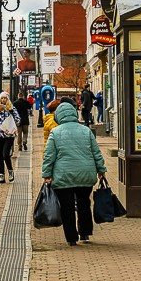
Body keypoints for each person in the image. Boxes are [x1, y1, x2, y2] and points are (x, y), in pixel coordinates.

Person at [41, 101, 107, 246]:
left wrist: (46, 174)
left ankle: (71, 238)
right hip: (85, 174)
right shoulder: (86, 131)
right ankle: (84, 232)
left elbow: (49, 156)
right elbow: (96, 152)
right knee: (84, 203)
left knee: (67, 207)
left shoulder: (55, 132)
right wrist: (101, 170)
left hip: (63, 176)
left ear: (58, 116)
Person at [0, 93, 21, 183]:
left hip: (9, 135)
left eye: (5, 98)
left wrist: (12, 122)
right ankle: (1, 175)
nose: (3, 100)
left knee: (5, 154)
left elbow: (18, 120)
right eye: (2, 98)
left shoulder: (12, 109)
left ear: (8, 99)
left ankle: (10, 171)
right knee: (0, 156)